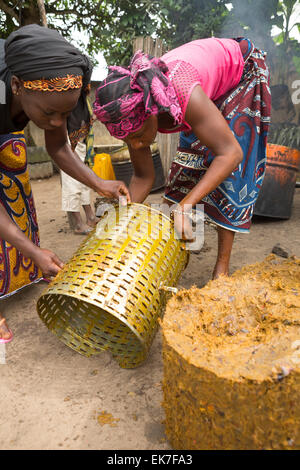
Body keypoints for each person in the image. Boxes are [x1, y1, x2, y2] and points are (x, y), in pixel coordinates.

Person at [93, 37, 271, 279]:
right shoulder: (135, 113)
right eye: (126, 140)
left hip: (241, 72)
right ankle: (166, 245)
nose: (134, 144)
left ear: (151, 112)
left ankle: (222, 269)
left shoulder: (183, 95)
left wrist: (185, 207)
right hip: (199, 88)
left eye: (135, 136)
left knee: (230, 169)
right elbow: (144, 177)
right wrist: (118, 225)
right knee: (188, 161)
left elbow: (231, 154)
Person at [0, 24, 130, 343]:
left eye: (66, 114)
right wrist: (33, 251)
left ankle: (21, 273)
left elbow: (58, 147)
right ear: (16, 86)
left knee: (14, 189)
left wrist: (100, 183)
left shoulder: (48, 93)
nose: (58, 123)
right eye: (49, 114)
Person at [61, 105, 98, 235]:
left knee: (84, 179)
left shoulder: (81, 94)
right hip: (70, 137)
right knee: (71, 181)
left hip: (80, 139)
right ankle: (77, 224)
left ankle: (90, 217)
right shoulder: (67, 89)